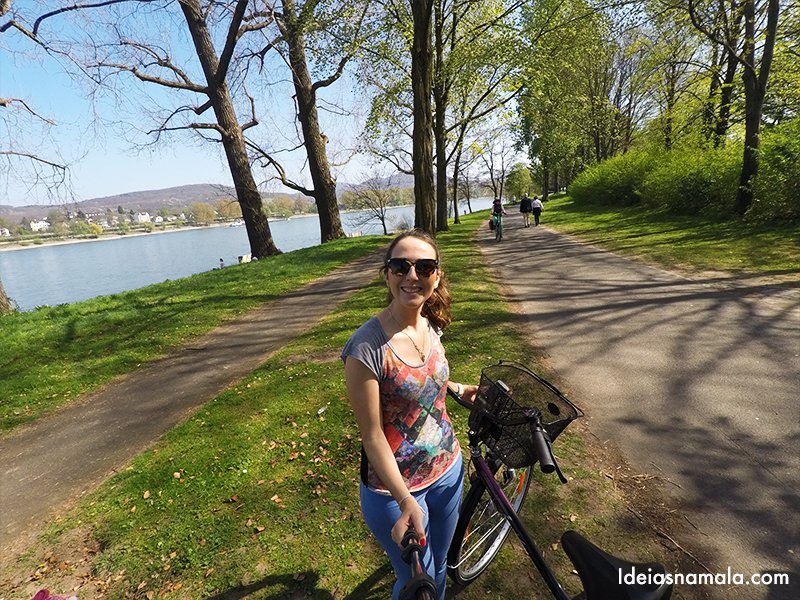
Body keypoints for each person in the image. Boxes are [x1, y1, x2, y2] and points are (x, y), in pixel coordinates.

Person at [342, 230, 478, 600]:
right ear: (387, 274)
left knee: (441, 565)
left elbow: (422, 381)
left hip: (448, 470)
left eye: (424, 266)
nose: (412, 275)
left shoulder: (429, 324)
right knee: (417, 581)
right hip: (395, 491)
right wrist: (404, 502)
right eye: (401, 266)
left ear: (437, 275)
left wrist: (458, 388)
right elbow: (372, 437)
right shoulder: (366, 348)